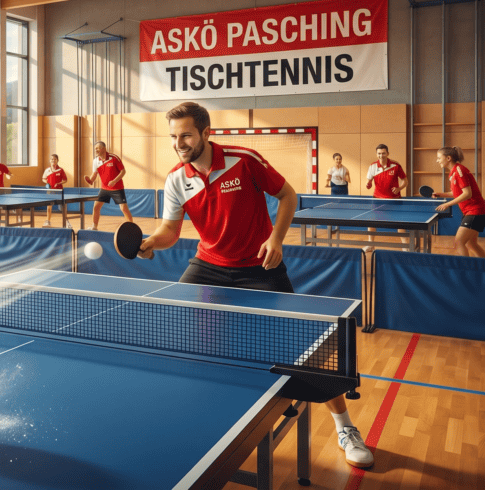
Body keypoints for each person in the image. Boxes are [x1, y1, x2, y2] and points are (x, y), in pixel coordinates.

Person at [138, 102, 375, 470]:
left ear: (205, 132)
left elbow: (288, 196)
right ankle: (192, 409)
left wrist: (277, 240)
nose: (178, 143)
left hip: (260, 267)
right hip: (208, 267)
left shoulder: (243, 160)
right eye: (173, 136)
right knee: (172, 326)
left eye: (185, 134)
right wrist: (152, 241)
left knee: (302, 349)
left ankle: (345, 427)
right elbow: (170, 230)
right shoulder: (175, 178)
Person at [432, 146, 485, 258]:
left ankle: (465, 269)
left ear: (448, 158)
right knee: (471, 244)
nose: (437, 160)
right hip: (472, 211)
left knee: (459, 242)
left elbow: (468, 194)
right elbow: (457, 193)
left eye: (439, 158)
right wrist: (441, 194)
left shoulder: (459, 170)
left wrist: (447, 204)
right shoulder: (453, 172)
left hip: (476, 211)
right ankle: (484, 266)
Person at [364, 144, 409, 252]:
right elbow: (368, 182)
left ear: (387, 153)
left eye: (383, 153)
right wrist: (368, 184)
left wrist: (399, 188)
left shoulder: (396, 165)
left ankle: (405, 245)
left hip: (394, 199)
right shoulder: (372, 166)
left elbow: (405, 181)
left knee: (400, 223)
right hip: (377, 198)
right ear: (376, 154)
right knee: (371, 222)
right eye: (379, 153)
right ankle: (371, 245)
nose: (381, 155)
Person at [85, 141, 134, 230]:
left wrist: (114, 181)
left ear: (103, 148)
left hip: (117, 188)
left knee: (123, 208)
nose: (95, 150)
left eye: (97, 148)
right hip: (104, 189)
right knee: (96, 207)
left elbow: (123, 171)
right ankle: (94, 226)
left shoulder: (114, 158)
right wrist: (90, 180)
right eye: (95, 148)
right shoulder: (96, 161)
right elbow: (94, 174)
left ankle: (132, 227)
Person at [41, 153, 69, 228]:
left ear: (57, 160)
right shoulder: (47, 170)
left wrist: (59, 183)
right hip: (50, 191)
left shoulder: (60, 170)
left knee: (63, 207)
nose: (53, 160)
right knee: (49, 207)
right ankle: (48, 221)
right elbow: (43, 179)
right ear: (50, 160)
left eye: (55, 159)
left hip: (59, 191)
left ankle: (66, 221)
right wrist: (47, 183)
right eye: (52, 159)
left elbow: (65, 180)